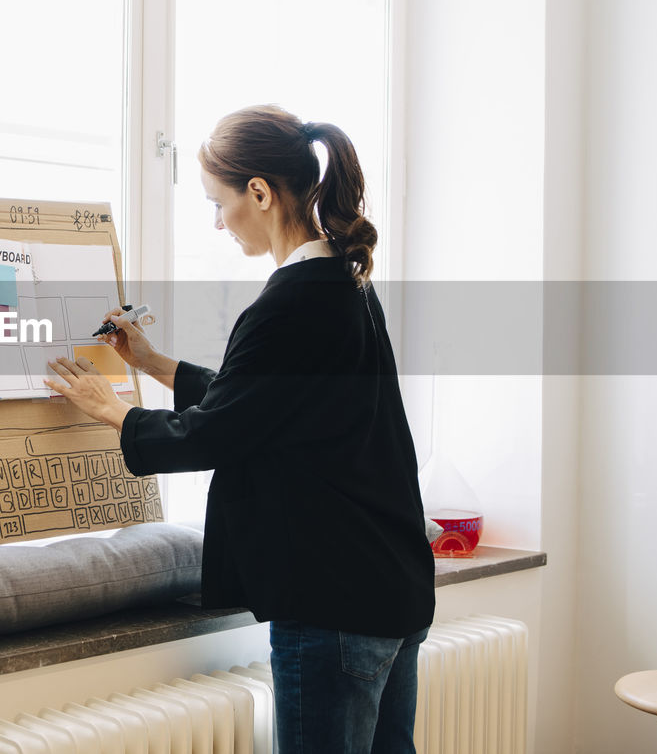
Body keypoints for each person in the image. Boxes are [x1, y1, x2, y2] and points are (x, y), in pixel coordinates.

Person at [44, 104, 436, 753]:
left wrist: (111, 406)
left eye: (217, 203)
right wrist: (149, 362)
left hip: (334, 605)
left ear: (259, 191)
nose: (218, 222)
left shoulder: (289, 303)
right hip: (389, 588)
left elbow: (214, 432)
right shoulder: (343, 285)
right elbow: (262, 403)